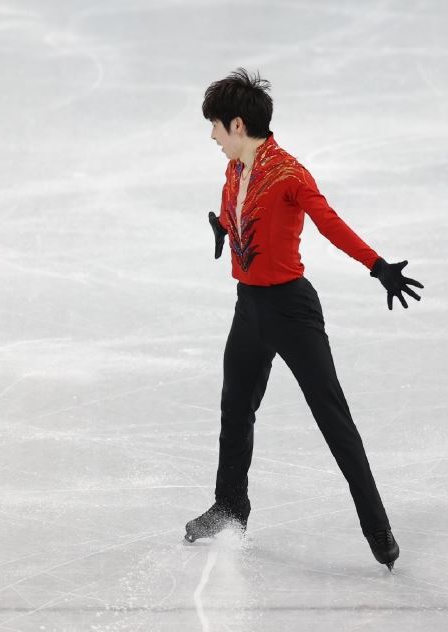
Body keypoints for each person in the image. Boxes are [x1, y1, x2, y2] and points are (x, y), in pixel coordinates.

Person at [184, 68, 423, 571]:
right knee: (235, 410)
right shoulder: (235, 170)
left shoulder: (290, 174)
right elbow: (240, 213)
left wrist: (377, 265)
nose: (212, 136)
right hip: (248, 308)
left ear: (238, 125)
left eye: (216, 127)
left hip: (291, 310)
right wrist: (224, 226)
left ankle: (376, 525)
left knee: (332, 416)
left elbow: (329, 222)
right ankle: (230, 507)